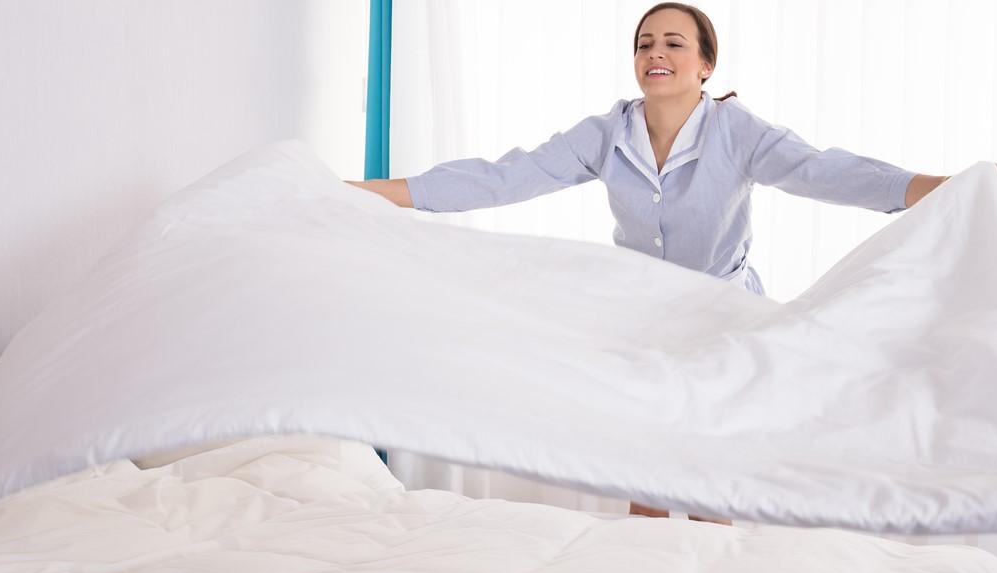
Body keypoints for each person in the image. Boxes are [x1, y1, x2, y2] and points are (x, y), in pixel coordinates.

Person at [348, 2, 957, 523]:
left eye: (673, 43)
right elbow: (507, 177)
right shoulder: (607, 133)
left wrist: (929, 187)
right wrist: (387, 192)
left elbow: (821, 169)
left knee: (711, 477)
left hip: (727, 325)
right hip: (643, 322)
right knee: (646, 474)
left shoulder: (734, 130)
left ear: (705, 65)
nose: (655, 53)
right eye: (644, 44)